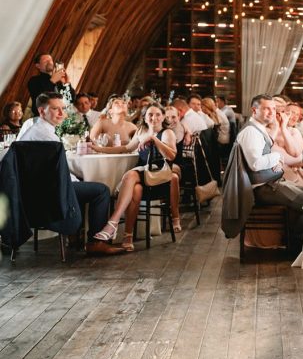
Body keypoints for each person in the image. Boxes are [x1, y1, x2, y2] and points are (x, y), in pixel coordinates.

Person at [20, 92, 123, 255]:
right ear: (41, 111)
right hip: (49, 194)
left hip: (30, 194)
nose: (62, 113)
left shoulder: (34, 130)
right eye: (55, 109)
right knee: (102, 190)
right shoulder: (47, 136)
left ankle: (74, 236)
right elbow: (59, 173)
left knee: (80, 181)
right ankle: (96, 242)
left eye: (63, 108)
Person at [94, 105, 182, 250]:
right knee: (136, 189)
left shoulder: (167, 133)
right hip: (143, 176)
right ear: (145, 117)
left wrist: (154, 139)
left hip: (159, 177)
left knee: (129, 175)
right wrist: (99, 149)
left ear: (163, 116)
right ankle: (127, 236)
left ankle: (113, 223)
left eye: (157, 114)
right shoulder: (141, 131)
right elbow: (126, 148)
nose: (154, 118)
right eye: (150, 115)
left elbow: (171, 156)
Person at [237, 94, 303, 247]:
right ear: (254, 110)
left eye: (273, 109)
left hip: (270, 182)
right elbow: (255, 164)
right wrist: (277, 157)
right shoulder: (251, 132)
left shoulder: (258, 129)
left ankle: (292, 241)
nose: (272, 112)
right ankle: (296, 247)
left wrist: (277, 127)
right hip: (261, 188)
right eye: (266, 109)